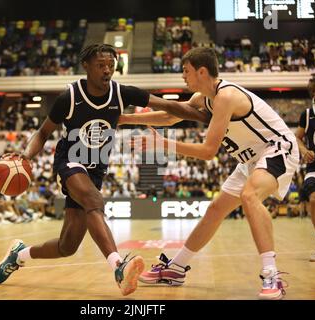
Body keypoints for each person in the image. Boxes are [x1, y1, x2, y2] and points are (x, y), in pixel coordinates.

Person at [0, 44, 209, 296]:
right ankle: (118, 267)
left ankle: (19, 256)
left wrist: (206, 117)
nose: (107, 70)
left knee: (67, 246)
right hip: (70, 161)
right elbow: (43, 132)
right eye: (101, 65)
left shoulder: (121, 93)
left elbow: (168, 106)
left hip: (96, 171)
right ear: (86, 66)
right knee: (94, 202)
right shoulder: (69, 98)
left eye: (111, 65)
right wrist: (27, 156)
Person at [118, 47, 299, 300]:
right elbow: (171, 117)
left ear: (202, 71)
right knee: (215, 210)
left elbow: (207, 152)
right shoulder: (203, 98)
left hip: (277, 148)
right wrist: (124, 119)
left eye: (186, 71)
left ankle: (272, 275)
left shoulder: (226, 96)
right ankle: (177, 268)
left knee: (250, 196)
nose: (183, 76)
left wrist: (165, 145)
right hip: (251, 158)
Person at [295, 73, 315, 262]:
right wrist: (303, 150)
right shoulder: (308, 115)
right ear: (314, 93)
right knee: (314, 198)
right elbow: (297, 137)